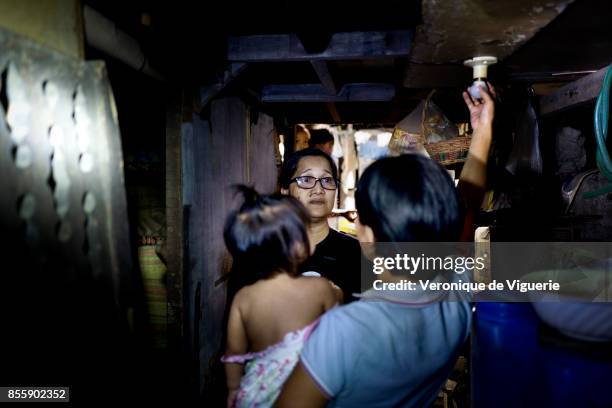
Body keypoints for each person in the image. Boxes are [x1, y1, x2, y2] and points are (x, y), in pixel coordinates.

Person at [275, 85, 495, 407]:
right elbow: (468, 205)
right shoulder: (456, 295)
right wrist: (483, 130)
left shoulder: (342, 331)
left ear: (364, 233)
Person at [221, 186, 339, 408]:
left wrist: (233, 389)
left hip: (256, 393)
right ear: (294, 244)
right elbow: (339, 335)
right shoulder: (320, 288)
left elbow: (234, 354)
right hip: (309, 392)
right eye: (305, 228)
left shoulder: (243, 298)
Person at [280, 148, 362, 302]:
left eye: (327, 180)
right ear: (285, 191)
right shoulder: (263, 253)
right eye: (306, 180)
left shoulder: (357, 253)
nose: (318, 190)